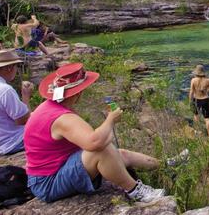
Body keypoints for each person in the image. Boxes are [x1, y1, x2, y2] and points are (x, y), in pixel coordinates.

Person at [24, 63, 166, 203]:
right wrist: (110, 120)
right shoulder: (62, 118)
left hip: (49, 174)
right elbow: (95, 143)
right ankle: (135, 191)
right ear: (78, 93)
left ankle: (165, 165)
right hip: (47, 183)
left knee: (119, 154)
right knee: (102, 151)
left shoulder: (51, 107)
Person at [189, 65, 209, 138]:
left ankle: (197, 131)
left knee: (196, 116)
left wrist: (190, 101)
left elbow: (191, 92)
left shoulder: (193, 80)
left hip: (196, 99)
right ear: (203, 72)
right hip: (205, 100)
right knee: (207, 118)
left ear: (196, 72)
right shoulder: (208, 80)